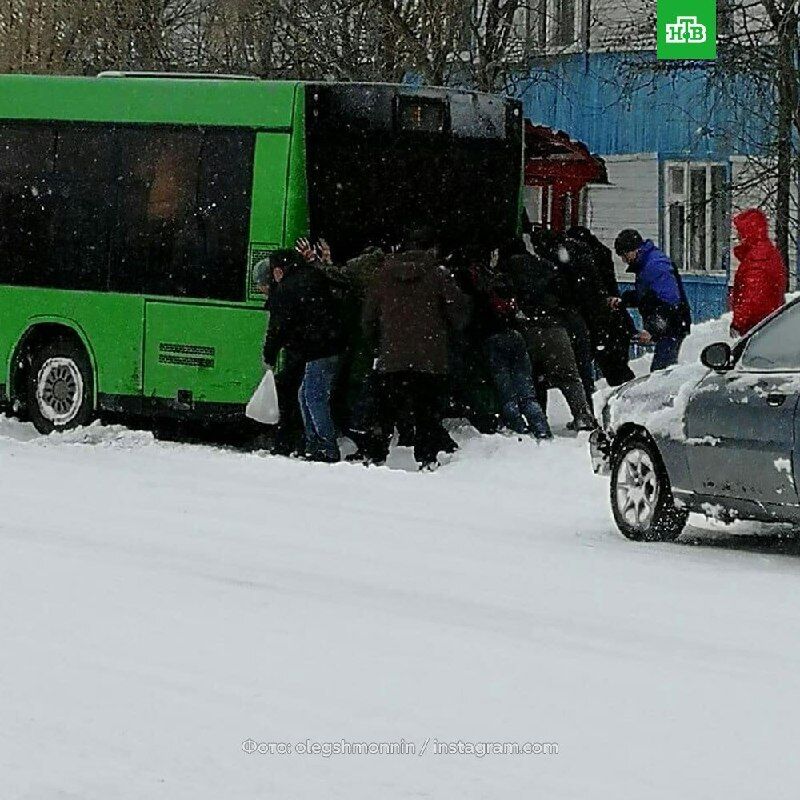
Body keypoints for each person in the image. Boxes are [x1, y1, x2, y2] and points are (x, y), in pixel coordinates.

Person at [362, 229, 468, 469]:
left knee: (384, 410)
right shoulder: (439, 275)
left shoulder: (383, 274)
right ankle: (427, 457)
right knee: (427, 412)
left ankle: (375, 454)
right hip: (430, 358)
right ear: (430, 249)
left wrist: (378, 343)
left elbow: (368, 317)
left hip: (392, 357)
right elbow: (458, 314)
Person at [501, 238, 596, 431]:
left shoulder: (507, 270)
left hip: (527, 329)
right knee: (569, 377)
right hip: (555, 327)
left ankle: (539, 420)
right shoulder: (546, 266)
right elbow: (566, 293)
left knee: (534, 377)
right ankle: (582, 415)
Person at [262, 249, 344, 462]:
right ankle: (314, 443)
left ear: (279, 271)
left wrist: (269, 356)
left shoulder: (287, 288)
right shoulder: (313, 276)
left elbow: (278, 327)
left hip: (317, 348)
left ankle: (326, 446)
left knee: (313, 396)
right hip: (331, 345)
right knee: (305, 393)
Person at [459, 249, 551, 439]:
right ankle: (541, 428)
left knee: (507, 393)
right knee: (526, 391)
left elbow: (473, 324)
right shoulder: (504, 286)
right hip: (515, 336)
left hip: (493, 340)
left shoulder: (480, 295)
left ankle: (519, 429)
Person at [566, 226, 636, 386]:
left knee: (607, 364)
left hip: (598, 321)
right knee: (616, 365)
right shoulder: (601, 254)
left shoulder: (581, 261)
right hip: (612, 319)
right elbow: (610, 287)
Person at [613, 229, 691, 372]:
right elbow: (648, 296)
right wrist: (624, 301)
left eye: (624, 255)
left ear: (634, 250)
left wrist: (652, 330)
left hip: (672, 326)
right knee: (662, 370)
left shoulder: (654, 266)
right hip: (671, 324)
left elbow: (669, 303)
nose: (624, 260)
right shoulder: (647, 263)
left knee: (660, 373)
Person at [730, 208, 787, 337]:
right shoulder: (768, 253)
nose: (738, 237)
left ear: (748, 233)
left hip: (758, 327)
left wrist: (738, 322)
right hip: (768, 324)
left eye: (740, 232)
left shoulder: (758, 257)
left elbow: (752, 295)